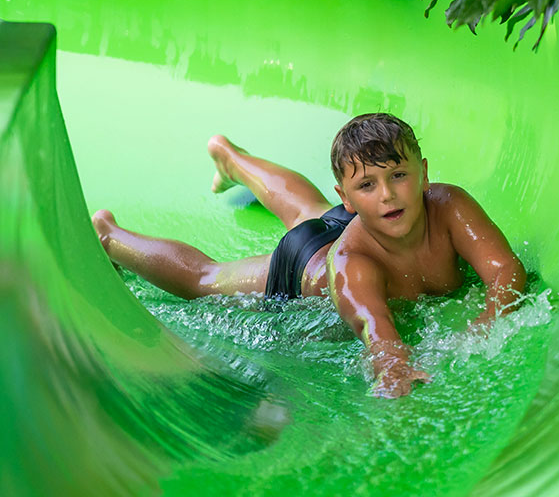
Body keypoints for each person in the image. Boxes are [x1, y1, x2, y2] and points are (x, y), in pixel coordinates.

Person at [92, 113, 526, 398]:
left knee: (309, 210)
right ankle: (110, 236)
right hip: (309, 263)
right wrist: (395, 369)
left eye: (399, 176)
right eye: (368, 185)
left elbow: (505, 270)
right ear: (349, 196)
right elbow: (376, 329)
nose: (389, 194)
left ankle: (231, 159)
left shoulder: (448, 206)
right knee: (207, 280)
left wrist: (490, 319)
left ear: (424, 173)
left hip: (349, 224)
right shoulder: (352, 267)